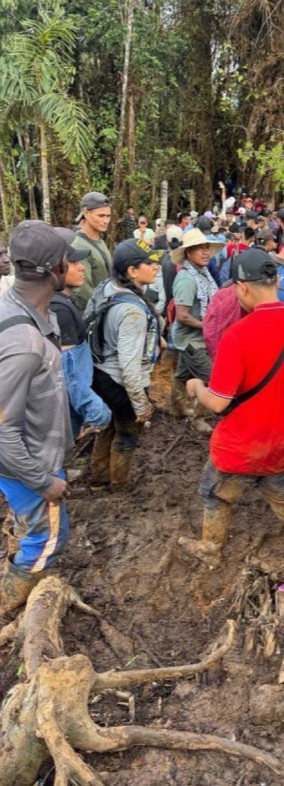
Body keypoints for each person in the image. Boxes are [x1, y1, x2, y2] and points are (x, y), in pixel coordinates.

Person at [179, 249, 284, 571]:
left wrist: (196, 388)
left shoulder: (237, 335)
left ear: (242, 287)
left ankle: (211, 547)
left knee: (215, 493)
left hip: (239, 448)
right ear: (276, 281)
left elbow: (220, 401)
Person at [0, 221, 85, 620]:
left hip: (27, 453)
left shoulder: (19, 308)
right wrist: (43, 481)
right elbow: (2, 430)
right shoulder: (25, 345)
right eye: (70, 259)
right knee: (47, 537)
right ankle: (11, 600)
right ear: (54, 270)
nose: (75, 263)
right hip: (27, 462)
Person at [85, 239, 163, 491]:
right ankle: (119, 485)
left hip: (98, 373)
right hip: (118, 379)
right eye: (149, 263)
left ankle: (98, 479)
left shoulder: (108, 287)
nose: (156, 267)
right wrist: (141, 405)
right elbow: (129, 367)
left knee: (107, 426)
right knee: (128, 431)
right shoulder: (133, 312)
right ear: (132, 271)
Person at [49, 231, 111, 437]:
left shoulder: (63, 302)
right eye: (74, 262)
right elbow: (68, 372)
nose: (82, 266)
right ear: (57, 268)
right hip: (66, 403)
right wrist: (95, 411)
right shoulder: (60, 310)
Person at [170, 228, 225, 432]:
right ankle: (198, 418)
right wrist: (211, 327)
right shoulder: (187, 279)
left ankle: (176, 408)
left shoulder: (204, 275)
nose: (205, 252)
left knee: (182, 374)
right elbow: (182, 316)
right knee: (211, 377)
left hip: (194, 337)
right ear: (188, 253)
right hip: (192, 340)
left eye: (207, 248)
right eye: (199, 249)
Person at [71, 191, 113, 311]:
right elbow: (82, 290)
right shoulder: (80, 246)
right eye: (101, 216)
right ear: (86, 214)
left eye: (108, 216)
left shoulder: (99, 240)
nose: (106, 221)